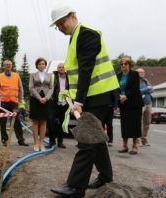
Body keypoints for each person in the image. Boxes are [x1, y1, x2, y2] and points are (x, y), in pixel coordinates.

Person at [49, 4, 120, 198]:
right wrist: (75, 99)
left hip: (99, 95)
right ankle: (105, 177)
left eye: (62, 23)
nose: (61, 27)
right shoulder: (75, 37)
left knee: (87, 140)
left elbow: (86, 71)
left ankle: (76, 187)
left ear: (72, 16)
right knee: (95, 138)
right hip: (94, 96)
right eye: (58, 25)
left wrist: (78, 101)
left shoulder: (87, 34)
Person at [0, 60, 29, 147]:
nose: (8, 66)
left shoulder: (16, 76)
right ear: (3, 66)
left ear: (11, 66)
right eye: (6, 65)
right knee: (3, 121)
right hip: (3, 103)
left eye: (9, 64)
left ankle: (21, 140)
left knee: (17, 121)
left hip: (14, 102)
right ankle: (5, 140)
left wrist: (20, 100)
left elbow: (21, 88)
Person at [117, 57, 144, 155]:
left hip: (134, 103)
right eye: (122, 64)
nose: (124, 65)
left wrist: (126, 96)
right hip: (123, 103)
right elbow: (116, 88)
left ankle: (135, 146)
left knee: (134, 124)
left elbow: (135, 88)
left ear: (129, 65)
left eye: (126, 64)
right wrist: (120, 96)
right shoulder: (118, 76)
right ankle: (124, 146)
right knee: (124, 125)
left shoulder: (135, 74)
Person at [29, 57, 53, 152]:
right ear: (37, 65)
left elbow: (51, 88)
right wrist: (39, 98)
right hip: (35, 99)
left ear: (45, 65)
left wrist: (46, 98)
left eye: (43, 64)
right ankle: (35, 143)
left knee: (43, 122)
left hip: (46, 99)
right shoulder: (32, 75)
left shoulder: (49, 75)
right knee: (35, 121)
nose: (41, 65)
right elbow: (31, 87)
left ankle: (41, 143)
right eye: (39, 64)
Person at [46, 62, 68, 149]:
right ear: (57, 68)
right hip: (54, 102)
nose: (61, 68)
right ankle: (52, 141)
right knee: (50, 120)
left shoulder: (69, 77)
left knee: (62, 123)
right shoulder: (53, 76)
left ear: (65, 68)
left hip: (65, 103)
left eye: (63, 67)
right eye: (60, 67)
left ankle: (60, 141)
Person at [136, 68, 154, 146]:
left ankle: (144, 139)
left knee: (147, 122)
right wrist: (147, 89)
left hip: (148, 103)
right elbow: (137, 91)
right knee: (138, 122)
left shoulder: (146, 81)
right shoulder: (135, 81)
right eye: (140, 72)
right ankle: (136, 140)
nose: (142, 73)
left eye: (143, 72)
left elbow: (152, 89)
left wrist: (146, 89)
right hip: (140, 103)